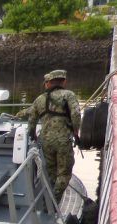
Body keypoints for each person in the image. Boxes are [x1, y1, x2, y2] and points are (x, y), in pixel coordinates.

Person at [26, 70, 82, 201]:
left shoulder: (39, 99)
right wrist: (75, 131)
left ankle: (47, 199)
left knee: (50, 172)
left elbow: (31, 120)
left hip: (45, 141)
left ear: (48, 83)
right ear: (64, 81)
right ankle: (54, 200)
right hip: (63, 141)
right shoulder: (69, 95)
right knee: (64, 173)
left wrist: (33, 134)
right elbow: (76, 114)